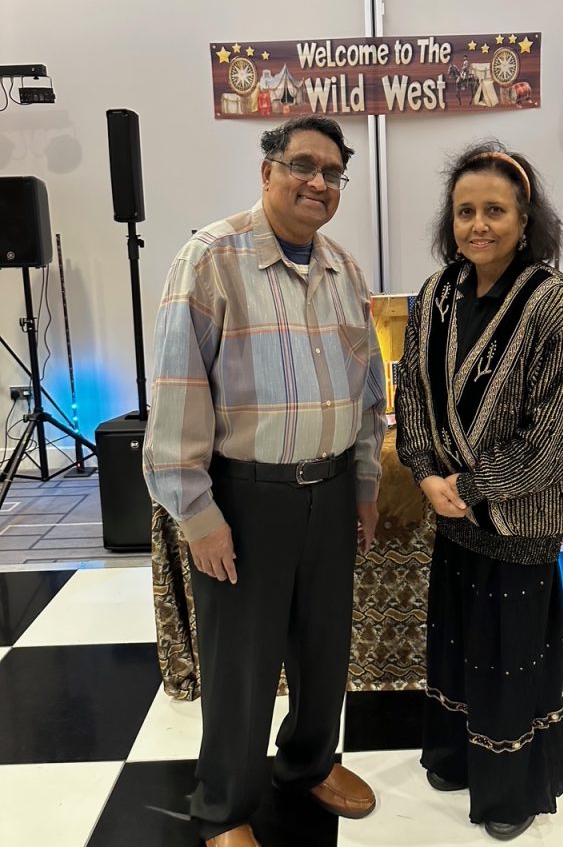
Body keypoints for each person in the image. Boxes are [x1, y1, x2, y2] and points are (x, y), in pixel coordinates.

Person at [144, 116, 387, 847]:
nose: (319, 182)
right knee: (241, 665)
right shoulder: (211, 259)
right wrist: (197, 512)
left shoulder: (345, 270)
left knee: (323, 648)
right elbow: (179, 391)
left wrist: (365, 485)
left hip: (332, 488)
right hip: (245, 498)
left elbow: (368, 394)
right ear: (267, 171)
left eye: (333, 173)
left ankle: (307, 764)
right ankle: (225, 807)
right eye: (303, 165)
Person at [394, 143, 563, 841]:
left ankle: (510, 793)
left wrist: (476, 485)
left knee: (511, 654)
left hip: (519, 514)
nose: (478, 225)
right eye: (465, 211)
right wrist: (425, 472)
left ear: (524, 218)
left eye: (494, 211)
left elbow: (560, 427)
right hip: (451, 510)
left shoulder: (554, 302)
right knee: (457, 641)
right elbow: (411, 393)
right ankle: (455, 757)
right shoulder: (436, 294)